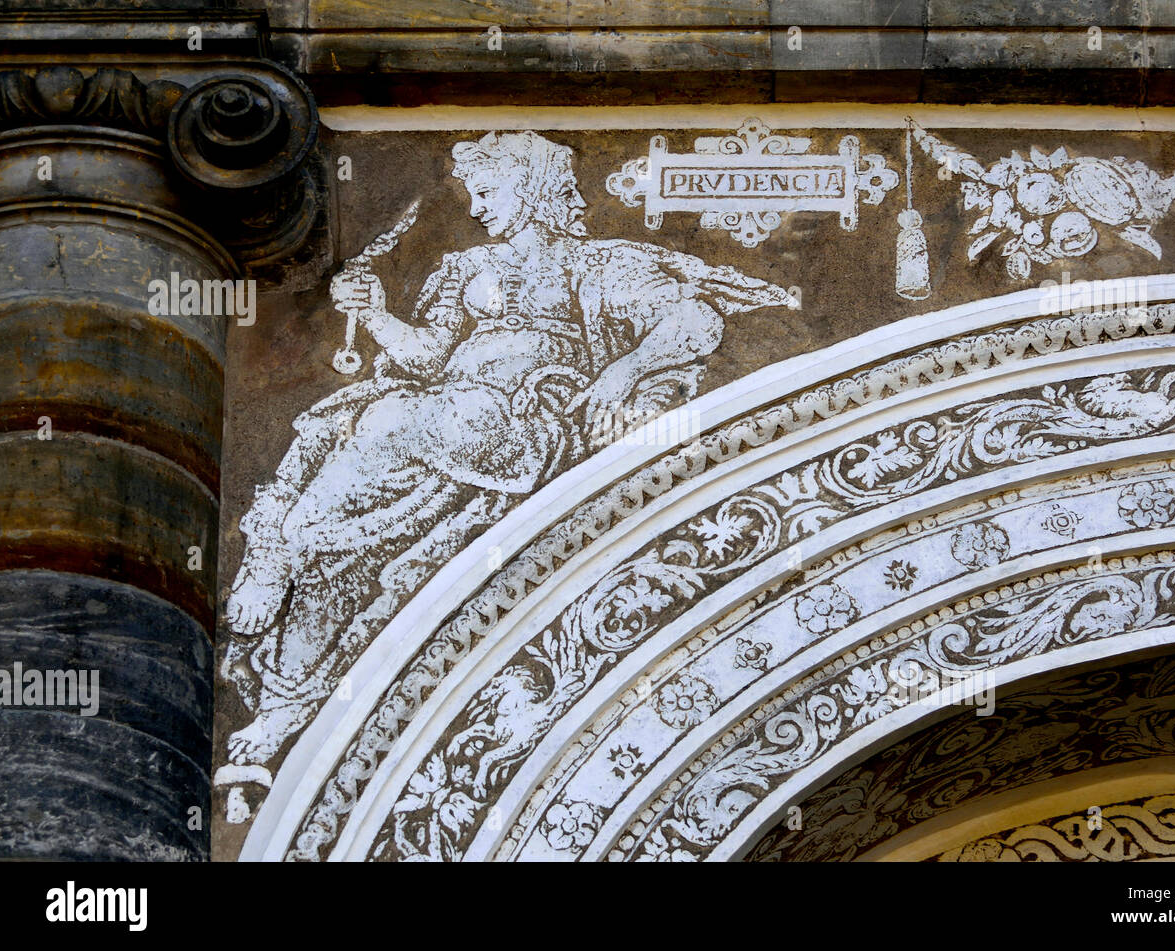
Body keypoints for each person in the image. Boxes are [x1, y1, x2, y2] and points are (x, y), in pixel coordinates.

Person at [221, 130, 795, 768]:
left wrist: (620, 373)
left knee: (395, 419)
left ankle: (285, 541)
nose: (475, 209)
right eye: (473, 194)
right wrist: (378, 316)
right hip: (446, 416)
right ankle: (284, 704)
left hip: (519, 424)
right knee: (345, 528)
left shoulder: (597, 264)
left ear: (533, 188)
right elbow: (428, 358)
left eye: (489, 191)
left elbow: (695, 322)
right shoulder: (463, 268)